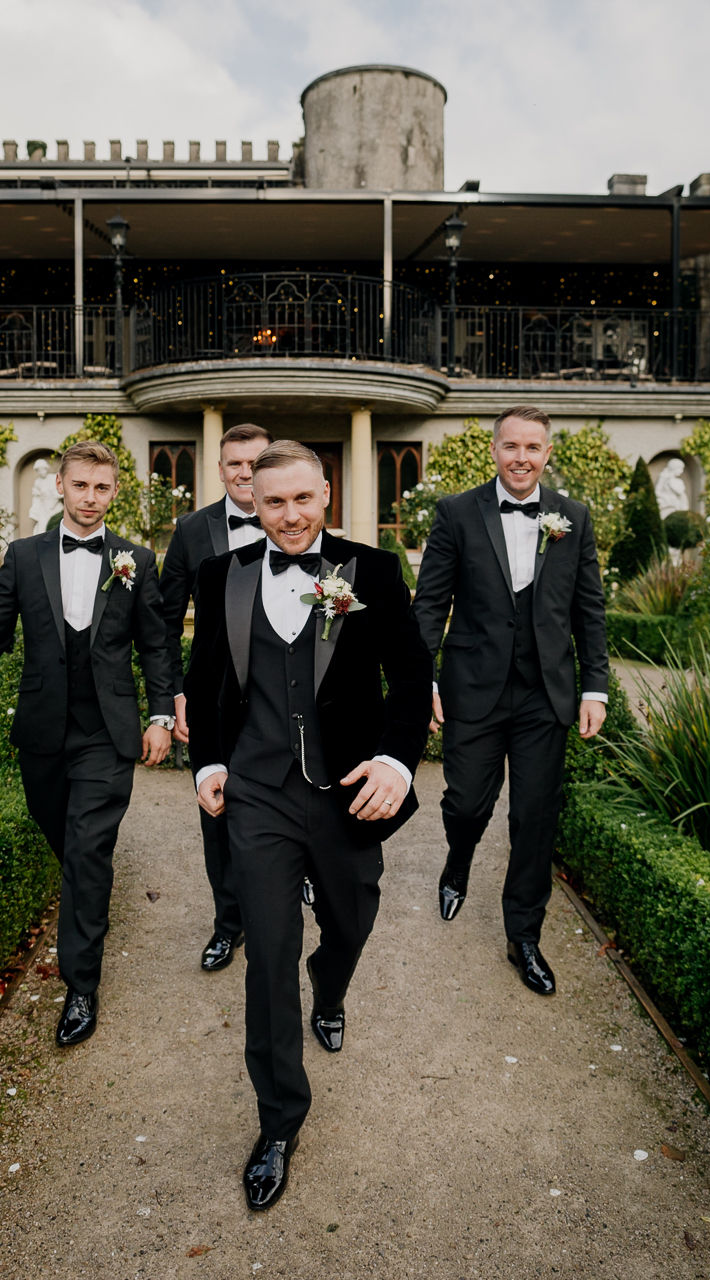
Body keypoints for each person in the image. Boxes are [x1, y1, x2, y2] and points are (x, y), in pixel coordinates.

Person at [186, 440, 431, 1211]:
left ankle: (332, 989)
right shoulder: (219, 575)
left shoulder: (375, 571)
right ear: (251, 506)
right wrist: (209, 764)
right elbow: (206, 680)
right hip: (257, 797)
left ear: (327, 493)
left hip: (347, 790)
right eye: (272, 504)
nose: (289, 517)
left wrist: (396, 759)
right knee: (268, 957)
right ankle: (279, 1121)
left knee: (352, 920)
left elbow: (413, 673)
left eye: (302, 499)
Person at [0, 440, 174, 1048]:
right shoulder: (24, 557)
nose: (91, 499)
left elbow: (156, 645)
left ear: (114, 492)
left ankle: (81, 984)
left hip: (108, 729)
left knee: (85, 849)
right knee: (61, 833)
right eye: (82, 486)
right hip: (44, 729)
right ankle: (88, 892)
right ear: (60, 485)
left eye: (102, 489)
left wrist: (160, 714)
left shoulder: (135, 559)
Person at [410, 406, 609, 998]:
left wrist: (594, 686)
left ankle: (523, 936)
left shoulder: (574, 517)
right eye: (511, 446)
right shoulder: (456, 512)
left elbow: (589, 610)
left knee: (535, 818)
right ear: (493, 450)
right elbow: (429, 606)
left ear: (548, 453)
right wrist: (425, 684)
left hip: (546, 693)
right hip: (473, 687)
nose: (521, 457)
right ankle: (458, 858)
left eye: (533, 447)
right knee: (467, 803)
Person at [157, 422, 272, 973]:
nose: (246, 473)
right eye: (235, 464)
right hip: (216, 696)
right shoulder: (191, 530)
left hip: (284, 692)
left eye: (256, 462)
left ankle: (291, 883)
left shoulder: (296, 516)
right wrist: (175, 691)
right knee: (218, 811)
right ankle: (230, 924)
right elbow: (162, 619)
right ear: (220, 469)